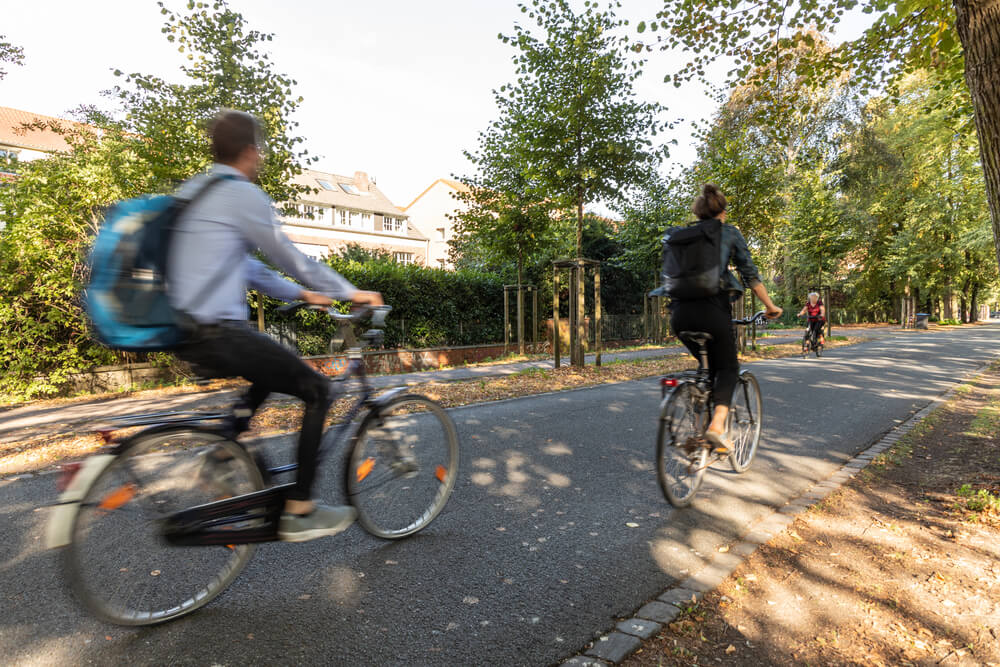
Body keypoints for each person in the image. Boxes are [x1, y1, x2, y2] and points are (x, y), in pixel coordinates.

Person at [167, 109, 383, 542]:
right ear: (250, 151)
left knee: (267, 367)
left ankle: (221, 456)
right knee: (317, 390)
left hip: (184, 329)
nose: (260, 158)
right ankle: (300, 507)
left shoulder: (194, 191)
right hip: (218, 330)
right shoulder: (240, 194)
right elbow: (291, 257)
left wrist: (302, 295)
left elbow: (246, 266)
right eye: (259, 151)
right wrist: (348, 291)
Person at [668, 184, 782, 454]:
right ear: (723, 212)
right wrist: (770, 305)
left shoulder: (680, 235)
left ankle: (698, 428)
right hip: (712, 312)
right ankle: (717, 428)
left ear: (698, 213)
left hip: (679, 314)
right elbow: (750, 274)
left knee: (706, 370)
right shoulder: (729, 233)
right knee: (728, 368)